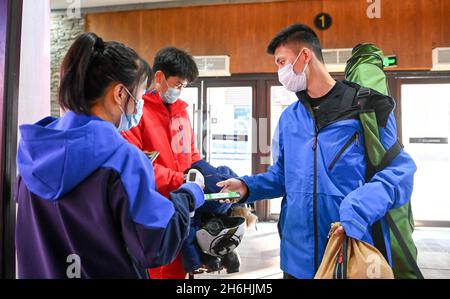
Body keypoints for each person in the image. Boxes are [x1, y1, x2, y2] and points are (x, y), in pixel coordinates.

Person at [217, 24, 417, 279]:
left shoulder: (365, 107)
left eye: (282, 62)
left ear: (304, 56)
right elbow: (281, 176)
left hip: (348, 251)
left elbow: (400, 171)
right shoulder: (290, 118)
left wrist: (360, 206)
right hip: (295, 258)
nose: (280, 72)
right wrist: (247, 186)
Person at [14, 32, 204, 279]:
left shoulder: (34, 149)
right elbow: (156, 245)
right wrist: (187, 196)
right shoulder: (123, 159)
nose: (141, 104)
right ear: (120, 94)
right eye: (140, 94)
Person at [121, 47, 202, 279]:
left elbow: (192, 155)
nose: (180, 90)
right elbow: (138, 167)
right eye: (178, 84)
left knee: (178, 270)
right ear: (159, 77)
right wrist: (181, 180)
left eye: (184, 86)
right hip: (153, 213)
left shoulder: (182, 114)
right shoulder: (136, 114)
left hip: (183, 207)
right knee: (157, 270)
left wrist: (204, 175)